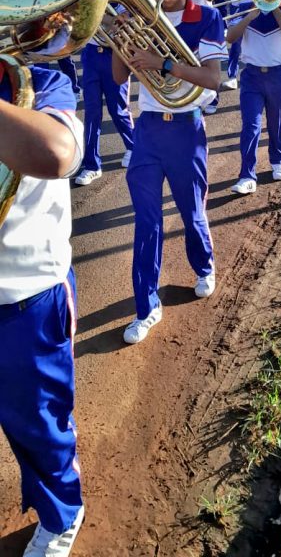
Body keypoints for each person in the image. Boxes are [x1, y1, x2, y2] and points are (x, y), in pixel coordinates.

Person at [112, 0, 227, 344]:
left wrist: (162, 64)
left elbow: (213, 79)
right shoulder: (144, 17)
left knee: (192, 212)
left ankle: (204, 266)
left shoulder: (207, 17)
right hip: (147, 132)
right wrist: (119, 37)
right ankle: (146, 307)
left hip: (185, 130)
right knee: (146, 223)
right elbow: (117, 76)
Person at [0, 61, 84, 557]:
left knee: (39, 425)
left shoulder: (40, 83)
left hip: (25, 297)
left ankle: (63, 514)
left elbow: (54, 152)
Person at [227, 0, 281, 194]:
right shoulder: (242, 8)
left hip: (280, 74)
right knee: (250, 126)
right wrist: (250, 14)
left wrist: (274, 5)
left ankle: (277, 160)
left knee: (278, 123)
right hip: (252, 76)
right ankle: (247, 175)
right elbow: (230, 37)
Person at [74, 32, 134, 186]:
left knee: (118, 110)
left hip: (116, 53)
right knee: (91, 112)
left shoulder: (122, 6)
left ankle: (133, 147)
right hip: (91, 53)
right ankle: (92, 165)